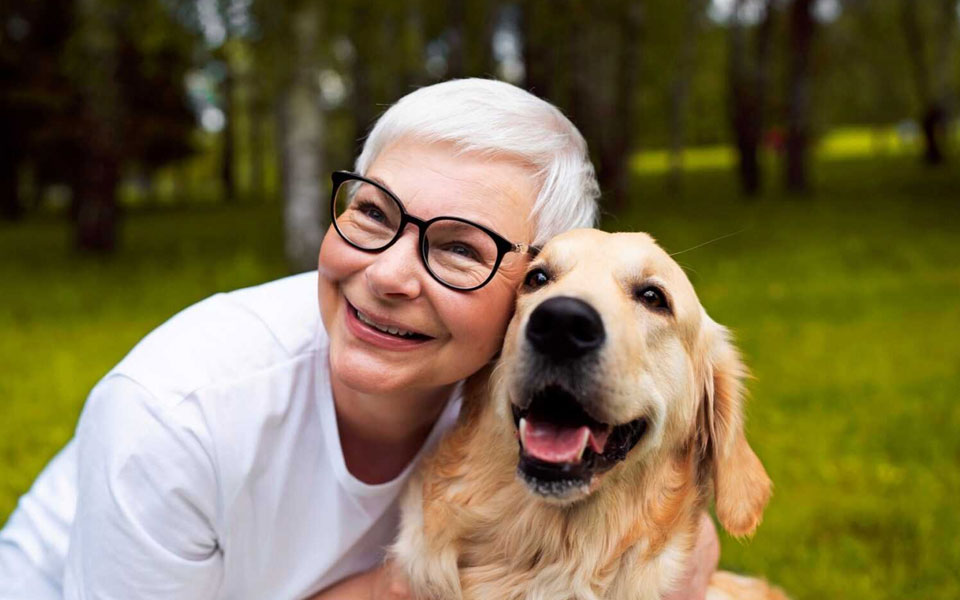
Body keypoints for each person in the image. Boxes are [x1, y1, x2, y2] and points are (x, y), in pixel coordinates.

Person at [0, 78, 717, 599]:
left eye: (460, 249)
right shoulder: (171, 412)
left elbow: (683, 543)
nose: (388, 275)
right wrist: (403, 588)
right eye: (373, 213)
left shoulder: (525, 397)